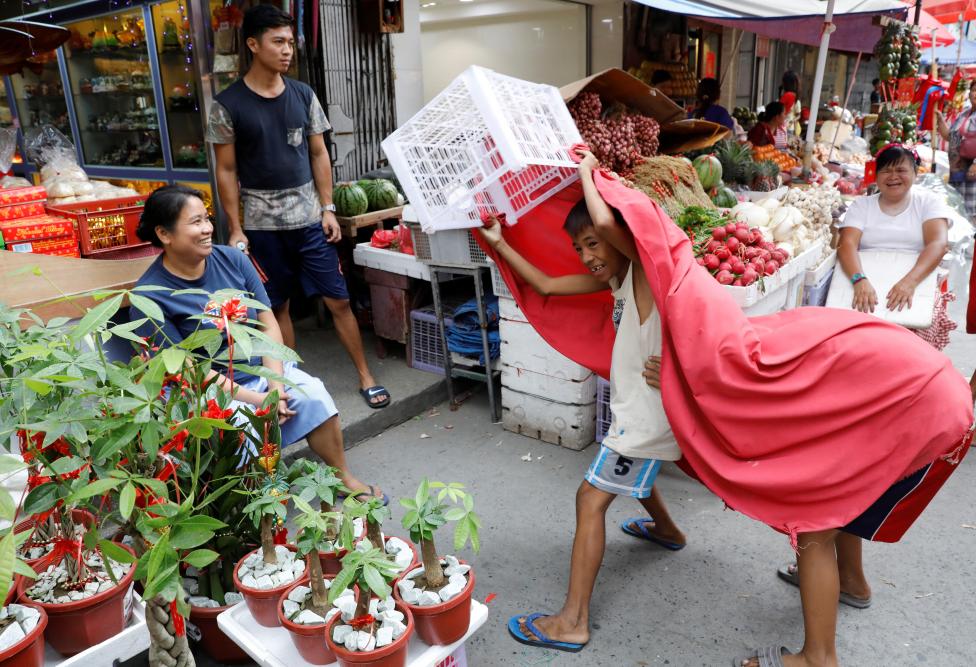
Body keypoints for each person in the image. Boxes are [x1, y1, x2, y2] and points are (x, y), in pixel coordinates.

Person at [483, 151, 686, 653]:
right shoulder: (619, 281)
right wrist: (498, 244)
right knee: (630, 469)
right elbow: (548, 285)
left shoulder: (643, 270)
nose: (587, 255)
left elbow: (602, 217)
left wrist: (587, 174)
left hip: (645, 420)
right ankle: (667, 530)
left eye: (594, 244)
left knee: (589, 499)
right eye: (579, 248)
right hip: (639, 415)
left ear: (621, 239)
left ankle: (573, 621)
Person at [130, 184, 386, 503]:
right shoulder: (149, 296)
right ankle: (258, 502)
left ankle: (343, 476)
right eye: (195, 222)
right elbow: (187, 370)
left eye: (207, 218)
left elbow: (267, 321)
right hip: (208, 390)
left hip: (261, 371)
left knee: (313, 394)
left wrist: (275, 386)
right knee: (241, 424)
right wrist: (257, 399)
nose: (208, 228)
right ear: (164, 234)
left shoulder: (233, 260)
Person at [206, 4, 389, 409]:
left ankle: (365, 375)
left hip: (309, 220)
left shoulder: (303, 94)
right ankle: (294, 383)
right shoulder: (227, 104)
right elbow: (226, 169)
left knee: (338, 298)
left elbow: (319, 154)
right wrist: (235, 228)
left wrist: (327, 208)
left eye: (291, 42)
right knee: (277, 307)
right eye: (278, 42)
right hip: (260, 226)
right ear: (253, 44)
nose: (288, 50)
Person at [837, 145, 950, 316]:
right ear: (876, 175)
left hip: (918, 281)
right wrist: (859, 280)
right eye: (886, 171)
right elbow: (846, 244)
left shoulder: (929, 202)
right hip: (866, 282)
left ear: (915, 173)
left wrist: (909, 282)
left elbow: (938, 243)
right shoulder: (862, 205)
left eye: (901, 170)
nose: (893, 177)